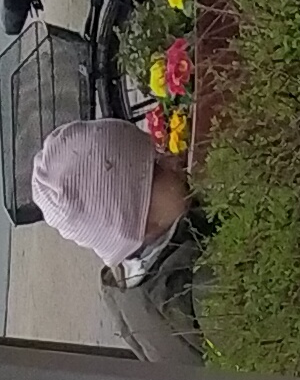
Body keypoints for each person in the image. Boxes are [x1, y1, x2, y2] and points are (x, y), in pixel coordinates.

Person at [29, 113, 193, 271]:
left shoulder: (169, 240)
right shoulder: (189, 276)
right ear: (139, 222)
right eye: (156, 166)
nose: (172, 158)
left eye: (159, 150)